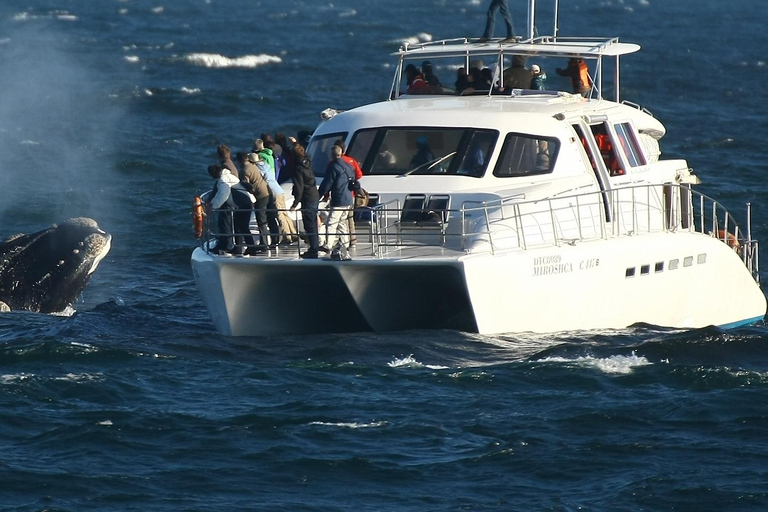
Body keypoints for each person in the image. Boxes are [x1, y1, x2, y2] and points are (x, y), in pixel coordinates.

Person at [205, 164, 255, 255]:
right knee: (238, 226)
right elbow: (221, 194)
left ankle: (251, 248)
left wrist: (213, 206)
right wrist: (213, 203)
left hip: (243, 204)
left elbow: (223, 194)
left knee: (243, 227)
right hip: (245, 203)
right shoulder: (229, 176)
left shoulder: (223, 180)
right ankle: (238, 248)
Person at [317, 145, 354, 257]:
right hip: (348, 198)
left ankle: (328, 245)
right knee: (342, 222)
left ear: (332, 155)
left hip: (339, 199)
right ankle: (345, 243)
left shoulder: (333, 167)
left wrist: (319, 195)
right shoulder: (348, 166)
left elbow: (326, 184)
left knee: (331, 223)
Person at [288, 139, 321, 259]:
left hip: (307, 198)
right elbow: (303, 153)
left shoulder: (298, 169)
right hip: (314, 195)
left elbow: (299, 187)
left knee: (310, 224)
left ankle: (313, 249)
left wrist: (295, 203)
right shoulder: (307, 162)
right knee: (312, 222)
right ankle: (315, 246)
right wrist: (295, 143)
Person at [238, 151, 271, 252]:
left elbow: (249, 187)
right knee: (263, 219)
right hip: (266, 192)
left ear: (239, 161)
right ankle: (264, 242)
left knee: (261, 220)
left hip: (260, 196)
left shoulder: (244, 171)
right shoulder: (252, 166)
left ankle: (264, 244)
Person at [334, 139, 364, 249]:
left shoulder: (334, 163)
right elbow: (359, 175)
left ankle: (342, 241)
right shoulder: (351, 161)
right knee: (350, 218)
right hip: (351, 194)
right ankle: (353, 240)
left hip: (339, 195)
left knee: (339, 220)